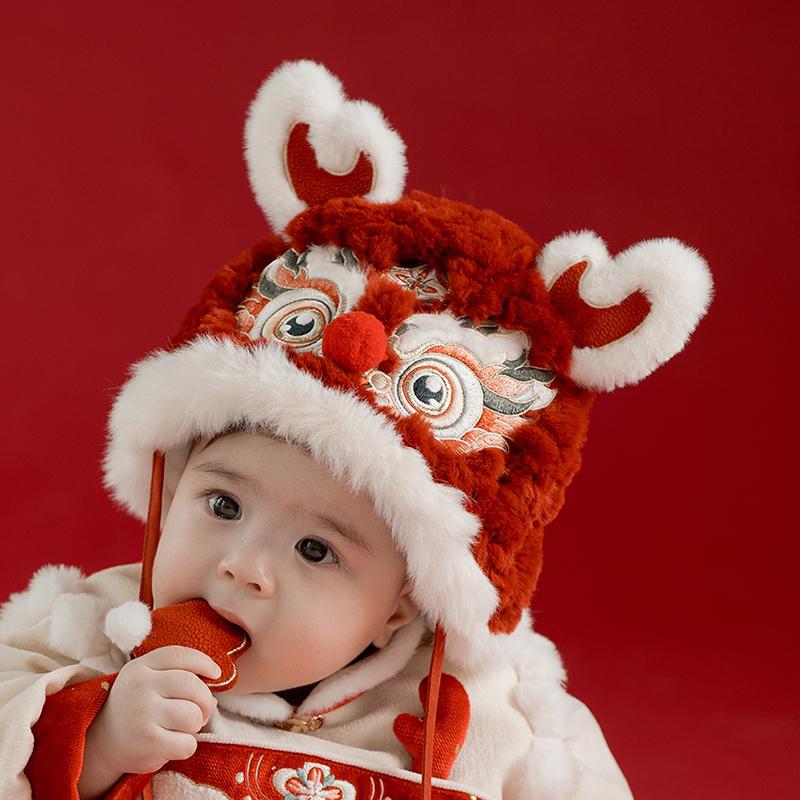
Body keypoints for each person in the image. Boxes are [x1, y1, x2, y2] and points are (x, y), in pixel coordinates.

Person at [0, 59, 712, 800]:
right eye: (223, 504)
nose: (243, 566)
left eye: (317, 549)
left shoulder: (490, 718)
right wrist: (100, 741)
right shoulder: (86, 635)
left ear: (399, 606)